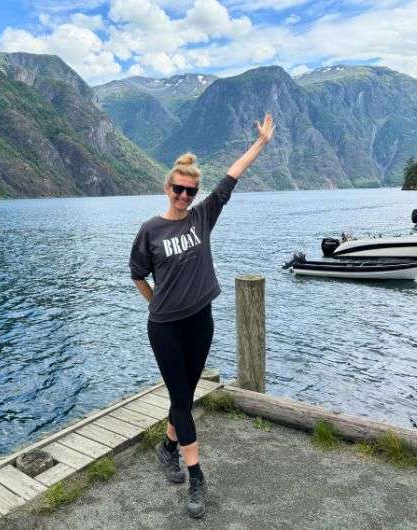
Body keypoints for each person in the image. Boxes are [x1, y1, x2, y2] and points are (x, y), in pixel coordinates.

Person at [129, 114, 275, 518]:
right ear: (167, 188)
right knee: (180, 398)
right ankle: (196, 476)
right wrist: (156, 302)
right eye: (178, 189)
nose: (184, 196)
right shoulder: (150, 231)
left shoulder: (202, 217)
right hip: (165, 328)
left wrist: (260, 143)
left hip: (200, 321)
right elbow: (137, 274)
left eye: (190, 191)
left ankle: (167, 448)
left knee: (185, 396)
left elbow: (231, 177)